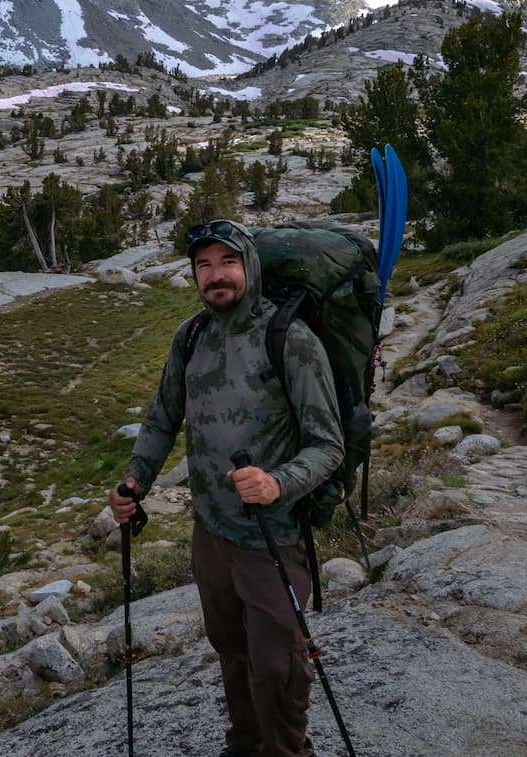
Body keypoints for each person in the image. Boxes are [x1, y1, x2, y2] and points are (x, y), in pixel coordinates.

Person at [107, 219, 343, 757]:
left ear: (249, 267)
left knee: (277, 665)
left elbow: (328, 446)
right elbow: (163, 418)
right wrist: (133, 480)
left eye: (228, 262)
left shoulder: (290, 339)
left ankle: (287, 752)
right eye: (204, 265)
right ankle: (245, 745)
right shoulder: (191, 337)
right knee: (231, 650)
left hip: (272, 534)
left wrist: (277, 482)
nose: (216, 276)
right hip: (210, 532)